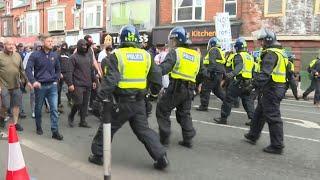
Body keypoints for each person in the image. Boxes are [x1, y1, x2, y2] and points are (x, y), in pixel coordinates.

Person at [89, 25, 168, 170]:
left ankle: (98, 155)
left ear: (121, 39)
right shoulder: (146, 55)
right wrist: (153, 94)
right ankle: (161, 156)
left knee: (108, 128)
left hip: (122, 103)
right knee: (143, 131)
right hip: (139, 102)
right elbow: (157, 76)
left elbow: (111, 81)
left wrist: (98, 99)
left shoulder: (117, 55)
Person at [244, 29, 288, 154]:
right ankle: (253, 135)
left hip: (272, 89)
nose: (260, 43)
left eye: (261, 40)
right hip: (275, 87)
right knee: (259, 112)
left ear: (267, 40)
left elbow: (265, 74)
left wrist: (252, 85)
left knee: (273, 117)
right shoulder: (280, 52)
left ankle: (277, 145)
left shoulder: (271, 53)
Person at [156, 26, 201, 148]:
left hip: (176, 87)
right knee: (184, 113)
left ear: (177, 40)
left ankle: (164, 139)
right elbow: (201, 72)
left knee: (162, 109)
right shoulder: (196, 55)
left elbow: (164, 68)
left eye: (172, 40)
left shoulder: (176, 52)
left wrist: (153, 73)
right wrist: (198, 88)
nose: (171, 43)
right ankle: (188, 138)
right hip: (190, 89)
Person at [26, 34, 63, 141]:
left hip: (52, 86)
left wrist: (56, 80)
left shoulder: (55, 55)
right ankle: (38, 126)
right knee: (38, 108)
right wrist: (33, 81)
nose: (51, 43)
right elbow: (28, 69)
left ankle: (55, 131)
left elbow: (58, 69)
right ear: (43, 43)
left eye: (52, 41)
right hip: (40, 86)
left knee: (54, 109)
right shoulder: (35, 55)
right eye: (49, 41)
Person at [214, 37, 254, 126]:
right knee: (247, 101)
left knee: (228, 99)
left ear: (237, 47)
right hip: (248, 82)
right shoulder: (249, 56)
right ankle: (253, 120)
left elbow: (239, 66)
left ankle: (223, 118)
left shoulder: (239, 56)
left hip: (239, 82)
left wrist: (232, 74)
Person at [65, 39, 97, 128]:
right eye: (82, 45)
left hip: (88, 84)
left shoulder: (88, 57)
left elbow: (91, 70)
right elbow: (69, 72)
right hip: (77, 84)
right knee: (78, 102)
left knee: (85, 104)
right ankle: (71, 115)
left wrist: (94, 80)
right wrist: (70, 84)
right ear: (78, 46)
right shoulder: (73, 57)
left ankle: (82, 122)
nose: (84, 47)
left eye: (86, 45)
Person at [0, 38, 28, 132]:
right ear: (4, 45)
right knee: (5, 105)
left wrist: (26, 80)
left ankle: (15, 123)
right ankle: (2, 117)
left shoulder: (17, 56)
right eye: (9, 44)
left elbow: (21, 69)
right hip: (4, 85)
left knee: (16, 105)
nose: (11, 46)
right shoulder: (0, 56)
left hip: (16, 85)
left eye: (13, 44)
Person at [197, 37, 225, 111]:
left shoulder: (213, 50)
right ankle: (227, 102)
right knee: (217, 90)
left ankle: (204, 106)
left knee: (205, 89)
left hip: (213, 74)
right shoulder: (219, 51)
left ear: (212, 44)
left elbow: (212, 63)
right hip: (218, 74)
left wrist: (208, 72)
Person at [57, 42, 70, 113]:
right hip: (61, 74)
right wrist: (59, 73)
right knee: (58, 90)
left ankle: (70, 101)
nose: (64, 48)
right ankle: (58, 103)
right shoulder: (58, 54)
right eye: (63, 46)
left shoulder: (68, 54)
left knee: (70, 88)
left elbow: (69, 63)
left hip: (67, 73)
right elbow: (57, 64)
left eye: (65, 46)